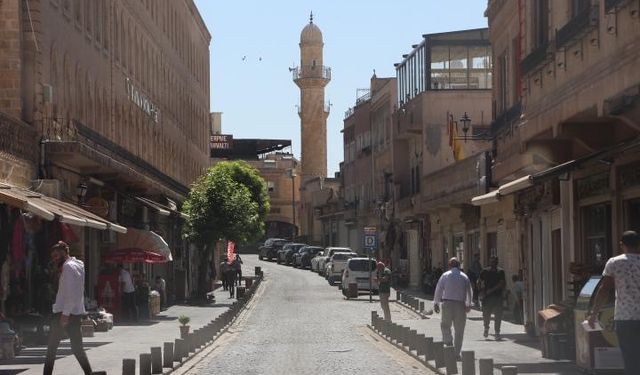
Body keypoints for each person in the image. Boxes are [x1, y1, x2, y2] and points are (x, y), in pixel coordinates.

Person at [44, 241, 103, 375]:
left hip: (64, 313)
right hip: (74, 313)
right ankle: (89, 372)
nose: (54, 259)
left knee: (52, 348)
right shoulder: (78, 265)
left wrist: (65, 314)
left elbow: (71, 293)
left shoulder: (68, 267)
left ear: (64, 253)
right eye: (53, 257)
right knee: (77, 348)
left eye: (56, 256)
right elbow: (76, 291)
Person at [588, 230, 640, 375]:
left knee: (630, 358)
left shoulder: (614, 263)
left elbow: (604, 290)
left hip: (625, 318)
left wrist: (594, 314)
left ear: (622, 245)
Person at [433, 257, 473, 359]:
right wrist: (468, 304)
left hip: (447, 304)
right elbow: (469, 291)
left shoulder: (445, 275)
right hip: (460, 305)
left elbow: (439, 289)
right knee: (459, 330)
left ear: (450, 265)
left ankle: (448, 341)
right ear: (459, 266)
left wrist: (436, 303)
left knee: (445, 325)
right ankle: (456, 353)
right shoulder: (464, 277)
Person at [479, 256, 506, 340]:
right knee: (486, 314)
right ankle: (486, 328)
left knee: (498, 315)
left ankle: (497, 332)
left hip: (497, 296)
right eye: (491, 262)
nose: (493, 263)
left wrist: (491, 290)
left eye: (494, 262)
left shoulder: (500, 271)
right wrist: (481, 291)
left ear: (497, 262)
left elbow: (501, 284)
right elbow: (479, 281)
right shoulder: (485, 271)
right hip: (487, 298)